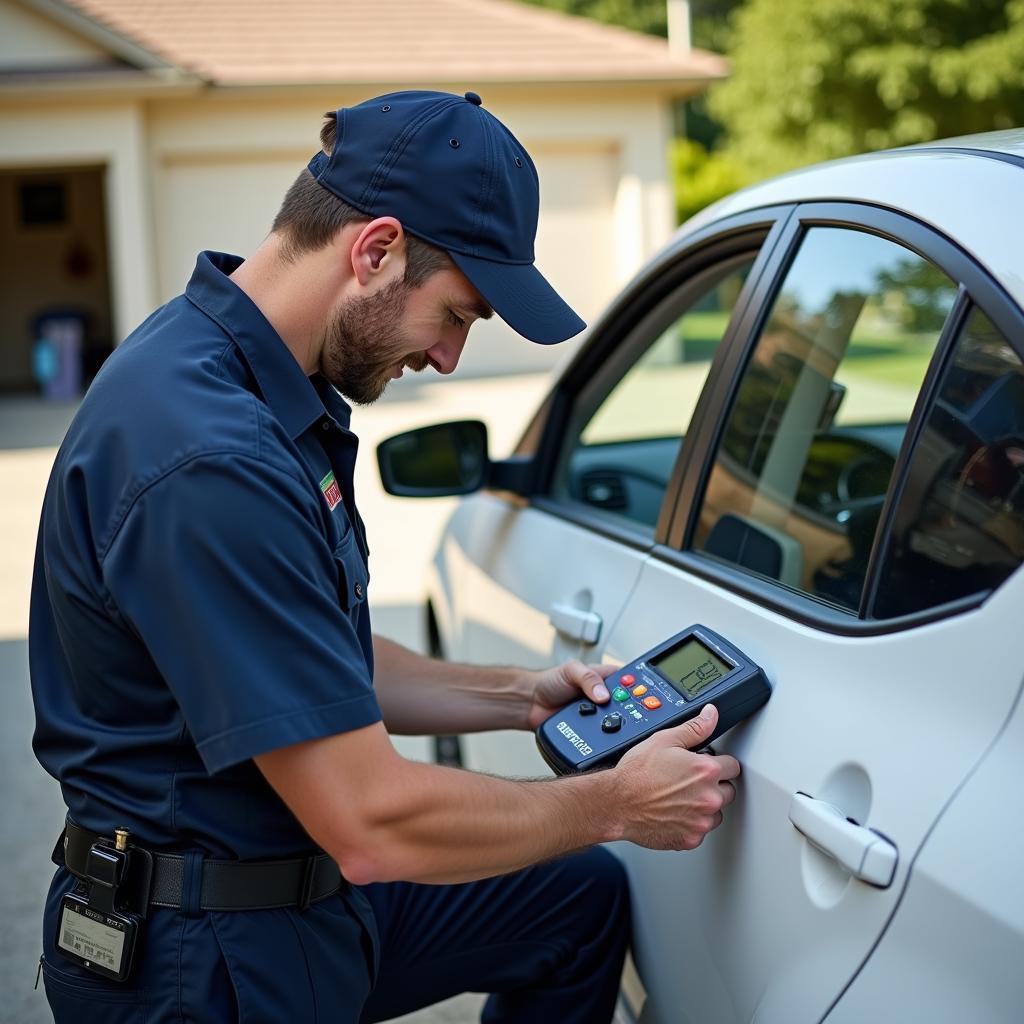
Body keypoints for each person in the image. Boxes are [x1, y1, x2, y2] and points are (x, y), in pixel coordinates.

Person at [30, 90, 740, 1024]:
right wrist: (615, 804)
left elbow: (311, 659)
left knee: (574, 900)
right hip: (206, 960)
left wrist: (520, 696)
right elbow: (368, 820)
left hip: (290, 895)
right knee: (586, 858)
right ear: (376, 250)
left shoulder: (235, 364)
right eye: (458, 316)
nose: (448, 359)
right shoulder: (210, 458)